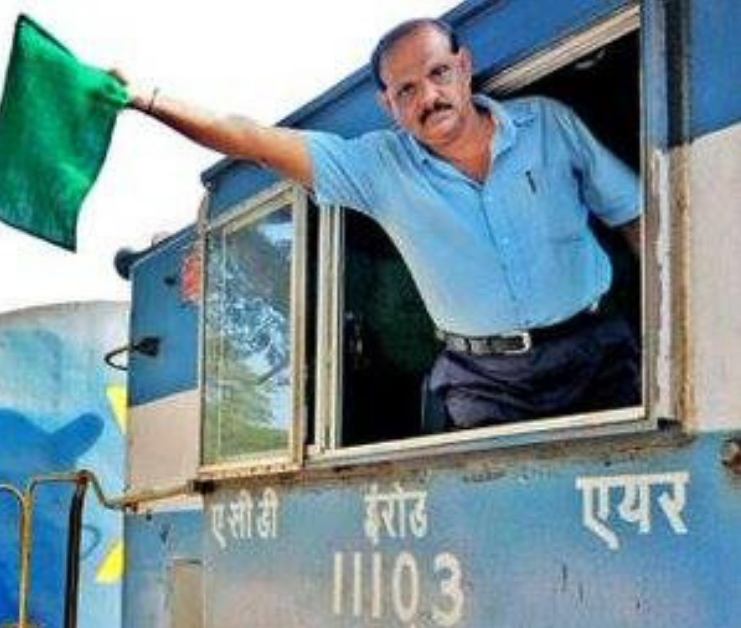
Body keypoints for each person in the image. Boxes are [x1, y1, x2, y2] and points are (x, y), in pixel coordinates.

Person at [115, 18, 641, 429]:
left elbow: (634, 216)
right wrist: (148, 99)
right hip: (488, 386)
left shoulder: (548, 123)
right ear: (387, 104)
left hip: (599, 354)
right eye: (406, 90)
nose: (429, 98)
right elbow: (251, 140)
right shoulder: (376, 168)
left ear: (464, 66)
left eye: (438, 73)